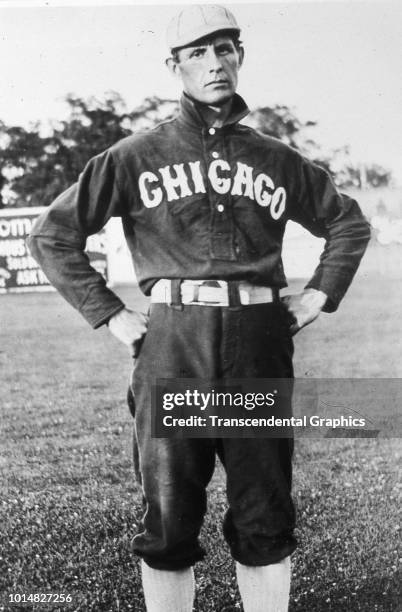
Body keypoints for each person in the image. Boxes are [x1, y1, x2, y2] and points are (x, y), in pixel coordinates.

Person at [27, 5, 371, 611]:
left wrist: (320, 293)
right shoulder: (135, 154)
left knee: (265, 511)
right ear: (174, 66)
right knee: (169, 516)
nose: (215, 64)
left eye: (225, 49)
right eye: (198, 53)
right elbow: (53, 236)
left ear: (241, 56)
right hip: (174, 341)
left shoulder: (276, 158)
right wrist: (110, 315)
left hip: (259, 339)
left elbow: (347, 222)